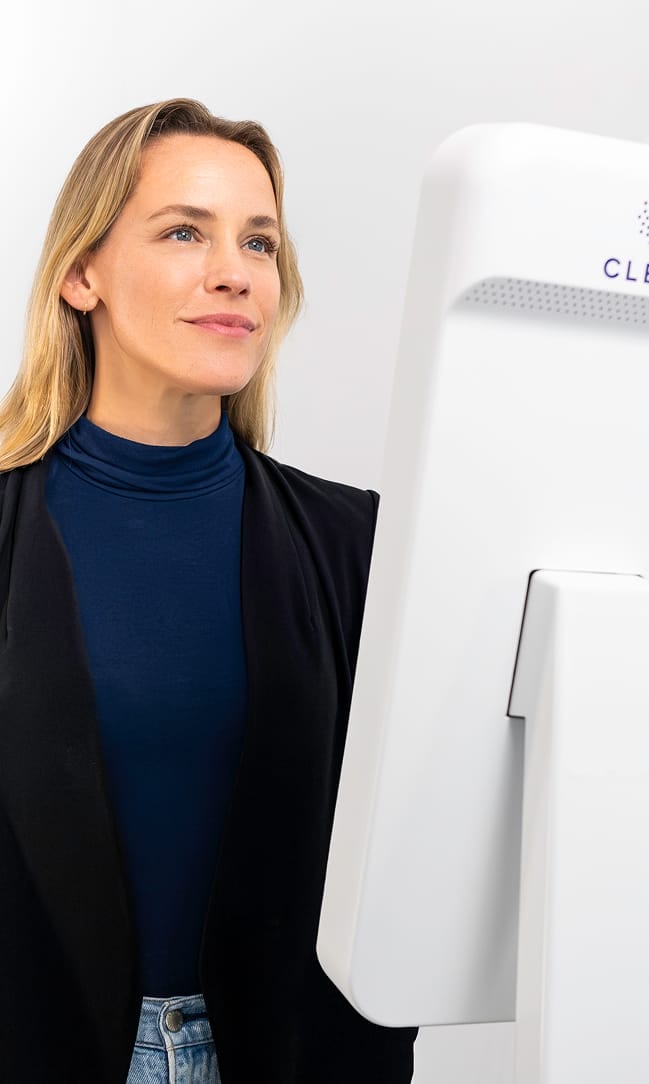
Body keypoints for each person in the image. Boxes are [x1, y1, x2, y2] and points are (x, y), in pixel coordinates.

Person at [0, 98, 417, 1084]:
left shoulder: (358, 541)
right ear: (80, 273)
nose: (235, 269)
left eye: (260, 242)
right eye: (184, 231)